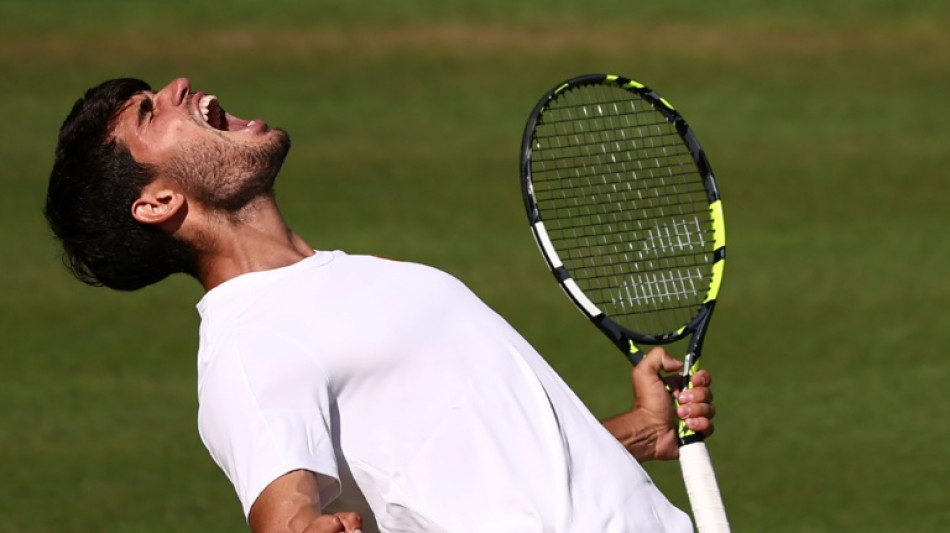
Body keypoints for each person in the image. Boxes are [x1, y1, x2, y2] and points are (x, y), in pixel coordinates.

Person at [44, 77, 718, 533]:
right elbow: (285, 515)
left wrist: (639, 430)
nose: (179, 87)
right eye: (149, 113)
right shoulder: (249, 348)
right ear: (158, 202)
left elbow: (484, 476)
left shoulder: (357, 277)